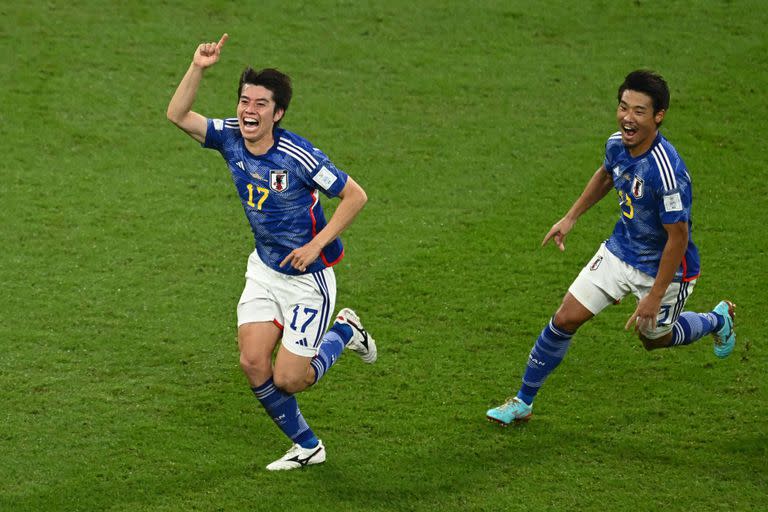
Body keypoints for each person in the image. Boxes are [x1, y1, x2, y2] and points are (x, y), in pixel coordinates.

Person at [167, 34, 377, 469]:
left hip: (308, 281)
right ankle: (308, 446)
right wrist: (198, 68)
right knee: (252, 362)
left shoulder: (298, 156)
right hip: (264, 269)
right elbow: (178, 114)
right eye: (245, 101)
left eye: (261, 104)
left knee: (290, 378)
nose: (249, 110)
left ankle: (344, 332)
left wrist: (316, 244)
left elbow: (355, 195)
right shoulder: (229, 138)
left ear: (277, 113)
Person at [487, 70, 736, 426]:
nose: (627, 118)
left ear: (658, 116)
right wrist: (571, 217)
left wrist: (654, 296)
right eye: (623, 107)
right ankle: (523, 401)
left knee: (653, 339)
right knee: (564, 318)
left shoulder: (667, 174)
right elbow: (607, 174)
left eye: (638, 111)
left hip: (666, 269)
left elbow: (677, 239)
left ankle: (716, 319)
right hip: (621, 251)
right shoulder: (617, 143)